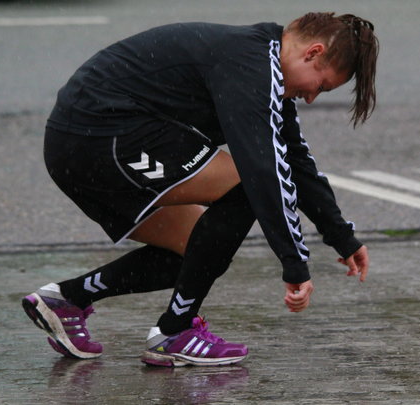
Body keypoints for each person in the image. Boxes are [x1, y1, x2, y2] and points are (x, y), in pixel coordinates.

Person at [22, 12, 377, 367]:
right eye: (321, 85)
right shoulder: (250, 65)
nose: (312, 97)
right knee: (245, 187)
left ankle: (67, 299)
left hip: (83, 141)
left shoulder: (263, 66)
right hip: (99, 136)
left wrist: (342, 237)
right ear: (313, 53)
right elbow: (262, 172)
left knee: (202, 252)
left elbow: (296, 161)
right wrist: (294, 263)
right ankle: (174, 332)